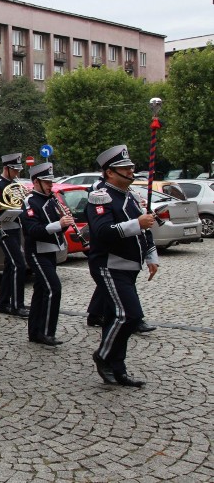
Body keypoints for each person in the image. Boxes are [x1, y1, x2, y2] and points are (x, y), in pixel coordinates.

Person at [87, 145, 157, 387]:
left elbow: (144, 228)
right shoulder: (100, 196)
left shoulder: (131, 196)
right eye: (124, 168)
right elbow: (102, 232)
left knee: (113, 317)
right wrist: (137, 223)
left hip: (129, 266)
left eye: (131, 167)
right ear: (109, 172)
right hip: (109, 265)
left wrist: (150, 254)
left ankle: (118, 368)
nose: (130, 171)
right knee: (130, 315)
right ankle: (103, 356)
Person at [21, 163, 73, 346]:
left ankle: (35, 331)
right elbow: (33, 230)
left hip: (50, 251)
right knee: (53, 289)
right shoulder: (30, 202)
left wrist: (65, 222)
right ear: (36, 182)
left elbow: (57, 226)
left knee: (41, 290)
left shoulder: (52, 200)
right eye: (47, 182)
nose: (51, 186)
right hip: (37, 251)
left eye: (51, 182)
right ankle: (46, 332)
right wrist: (59, 224)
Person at [0, 153, 28, 317]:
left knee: (10, 266)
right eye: (14, 170)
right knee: (18, 265)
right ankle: (16, 305)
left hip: (15, 228)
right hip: (3, 228)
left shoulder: (16, 185)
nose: (17, 174)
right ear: (6, 168)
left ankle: (4, 303)